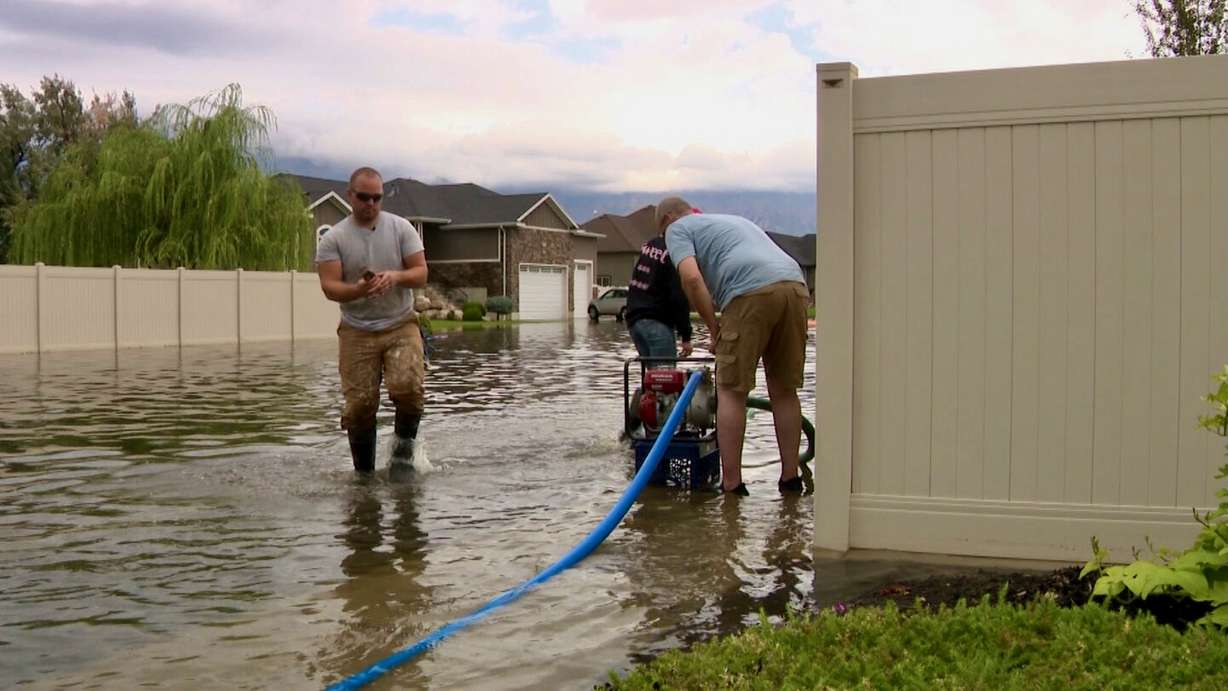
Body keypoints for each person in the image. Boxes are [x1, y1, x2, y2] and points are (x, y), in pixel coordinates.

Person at [658, 196, 808, 495]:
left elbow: (691, 279)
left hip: (749, 291)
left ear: (667, 220)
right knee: (783, 390)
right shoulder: (733, 221)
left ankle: (732, 485)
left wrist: (715, 329)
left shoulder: (676, 229)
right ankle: (790, 479)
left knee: (731, 390)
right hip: (795, 287)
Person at [316, 167, 428, 476]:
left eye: (377, 197)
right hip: (357, 329)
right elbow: (330, 287)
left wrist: (395, 276)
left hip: (400, 323)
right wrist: (359, 289)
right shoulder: (334, 238)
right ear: (350, 195)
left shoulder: (401, 228)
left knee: (408, 387)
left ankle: (402, 457)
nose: (371, 204)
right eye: (364, 197)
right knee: (360, 406)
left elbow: (421, 273)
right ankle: (364, 476)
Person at [625, 213, 693, 364]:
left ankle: (649, 389)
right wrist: (686, 336)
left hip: (635, 321)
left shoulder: (650, 245)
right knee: (665, 380)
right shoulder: (675, 253)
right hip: (658, 322)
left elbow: (636, 280)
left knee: (653, 379)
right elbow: (678, 296)